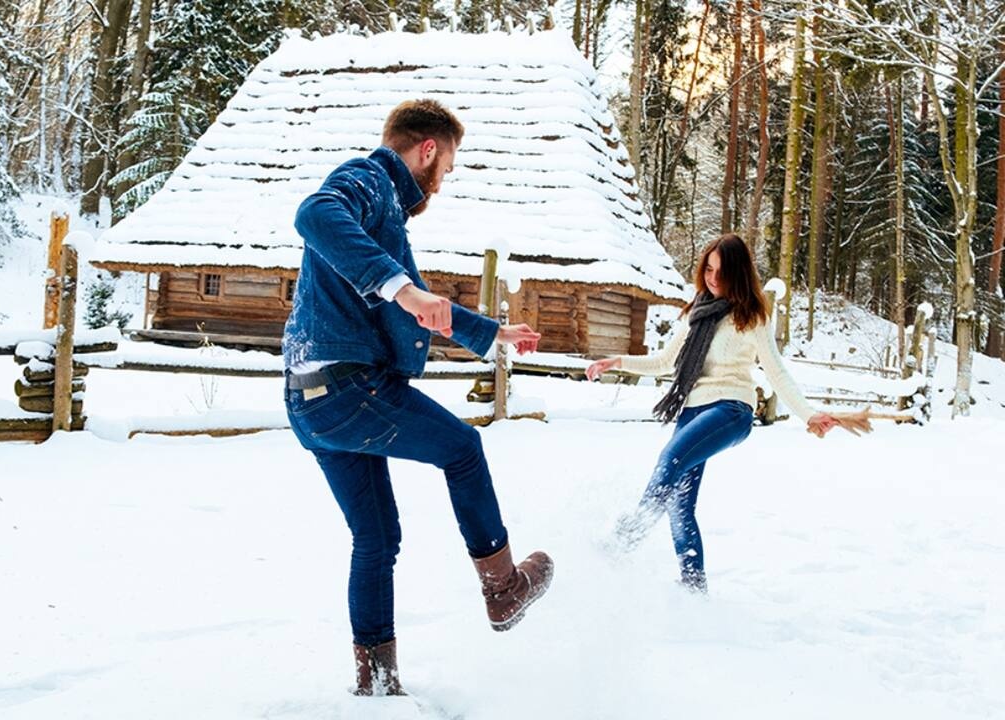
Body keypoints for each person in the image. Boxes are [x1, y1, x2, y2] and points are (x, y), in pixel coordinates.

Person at [282, 99, 555, 696]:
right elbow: (314, 214)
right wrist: (403, 289)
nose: (444, 180)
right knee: (462, 447)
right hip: (349, 389)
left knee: (377, 539)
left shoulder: (382, 216)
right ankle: (503, 587)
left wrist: (491, 332)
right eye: (447, 166)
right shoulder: (367, 179)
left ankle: (376, 684)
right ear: (427, 150)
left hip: (312, 400)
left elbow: (413, 302)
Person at [586, 233, 870, 593]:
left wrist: (808, 414)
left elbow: (776, 370)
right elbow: (663, 362)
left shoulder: (751, 317)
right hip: (692, 412)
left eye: (721, 272)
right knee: (679, 504)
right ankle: (693, 590)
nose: (712, 278)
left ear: (738, 273)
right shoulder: (698, 313)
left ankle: (625, 539)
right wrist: (617, 361)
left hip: (731, 410)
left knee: (671, 459)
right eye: (708, 269)